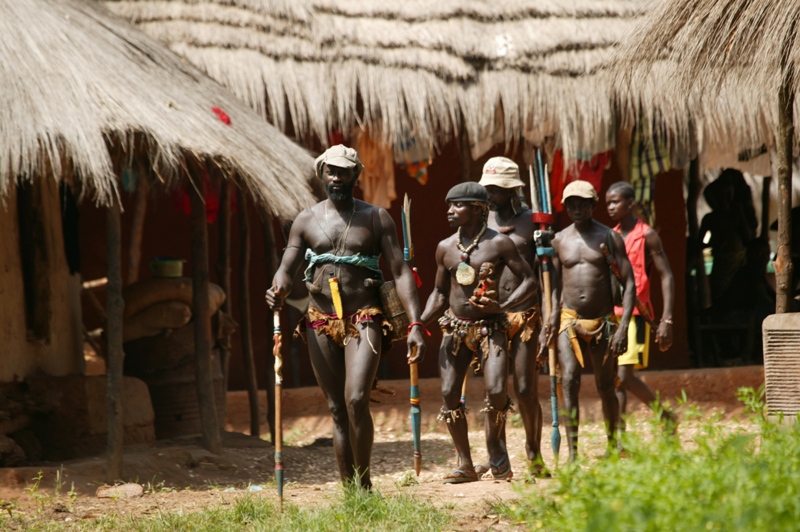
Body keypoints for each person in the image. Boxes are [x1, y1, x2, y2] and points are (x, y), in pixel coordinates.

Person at [265, 145, 426, 490]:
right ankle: (350, 493)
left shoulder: (375, 217)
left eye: (344, 172)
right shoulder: (306, 219)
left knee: (356, 399)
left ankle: (365, 484)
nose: (337, 178)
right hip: (320, 321)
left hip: (364, 319)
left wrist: (415, 324)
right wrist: (277, 287)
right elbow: (287, 268)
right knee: (338, 408)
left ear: (356, 175)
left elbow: (399, 272)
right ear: (322, 174)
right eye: (331, 172)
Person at [420, 181, 538, 483]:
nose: (449, 211)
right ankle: (465, 463)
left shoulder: (499, 243)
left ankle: (496, 452)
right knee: (448, 393)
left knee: (497, 391)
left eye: (457, 205)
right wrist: (418, 325)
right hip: (456, 328)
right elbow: (439, 293)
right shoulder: (445, 248)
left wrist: (506, 304)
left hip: (493, 328)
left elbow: (529, 280)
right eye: (449, 205)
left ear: (477, 209)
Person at [541, 180, 635, 461]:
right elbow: (552, 284)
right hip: (570, 321)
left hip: (604, 322)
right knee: (568, 380)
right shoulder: (558, 240)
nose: (577, 208)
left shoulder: (609, 238)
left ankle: (613, 444)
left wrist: (623, 328)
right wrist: (552, 317)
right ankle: (573, 453)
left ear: (593, 205)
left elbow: (629, 284)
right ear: (566, 206)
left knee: (606, 387)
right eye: (571, 203)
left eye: (583, 203)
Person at [471, 156, 548, 478]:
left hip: (525, 314)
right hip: (489, 318)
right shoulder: (478, 220)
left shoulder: (533, 221)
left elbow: (545, 274)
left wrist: (547, 244)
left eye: (497, 189)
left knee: (527, 389)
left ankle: (534, 453)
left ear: (513, 189)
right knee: (494, 389)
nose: (491, 194)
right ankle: (497, 457)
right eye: (487, 188)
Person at [605, 182, 676, 427]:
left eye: (616, 202)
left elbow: (666, 275)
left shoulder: (647, 235)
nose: (611, 207)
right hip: (612, 314)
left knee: (623, 376)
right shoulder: (611, 236)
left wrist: (667, 319)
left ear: (630, 203)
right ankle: (620, 442)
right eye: (608, 203)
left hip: (636, 314)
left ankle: (664, 416)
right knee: (616, 378)